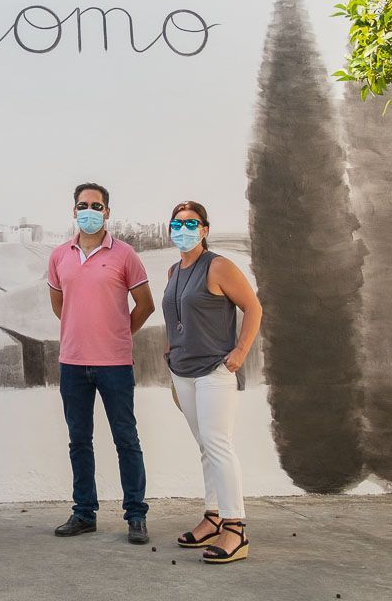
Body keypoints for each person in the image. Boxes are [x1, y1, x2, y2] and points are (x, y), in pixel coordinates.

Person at [47, 182, 156, 544]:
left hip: (115, 364)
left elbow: (145, 304)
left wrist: (117, 332)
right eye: (83, 205)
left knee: (126, 439)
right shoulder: (59, 256)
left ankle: (136, 515)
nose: (89, 211)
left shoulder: (125, 255)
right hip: (73, 363)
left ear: (107, 212)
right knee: (79, 440)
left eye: (96, 206)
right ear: (74, 211)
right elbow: (60, 305)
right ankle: (84, 513)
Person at [163, 201, 261, 564]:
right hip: (183, 371)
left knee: (218, 444)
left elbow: (253, 308)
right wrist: (170, 357)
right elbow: (175, 318)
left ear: (204, 229)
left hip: (214, 370)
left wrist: (240, 351)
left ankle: (235, 528)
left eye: (191, 224)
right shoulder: (173, 270)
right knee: (205, 445)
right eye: (177, 224)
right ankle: (213, 516)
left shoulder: (218, 266)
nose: (183, 229)